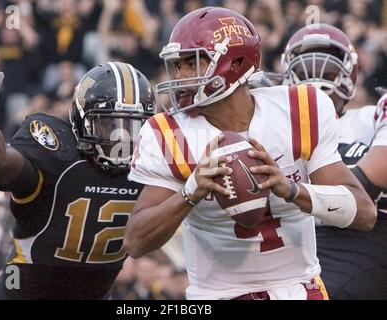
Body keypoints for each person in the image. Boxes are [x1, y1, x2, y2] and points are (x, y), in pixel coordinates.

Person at [124, 7, 376, 300]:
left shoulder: (298, 111)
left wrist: (292, 190)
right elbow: (135, 241)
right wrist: (190, 193)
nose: (181, 75)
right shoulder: (168, 134)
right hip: (219, 294)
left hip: (300, 288)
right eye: (178, 65)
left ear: (236, 63)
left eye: (192, 63)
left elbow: (365, 213)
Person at [0, 62, 155, 299]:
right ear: (81, 118)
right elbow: (1, 165)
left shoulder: (151, 167)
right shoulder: (57, 151)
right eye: (109, 124)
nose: (121, 138)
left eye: (132, 126)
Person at [282, 23, 387, 299]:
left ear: (349, 76)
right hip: (294, 242)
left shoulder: (370, 117)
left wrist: (294, 192)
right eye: (304, 73)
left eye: (327, 72)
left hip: (364, 235)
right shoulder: (272, 128)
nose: (314, 80)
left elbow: (367, 187)